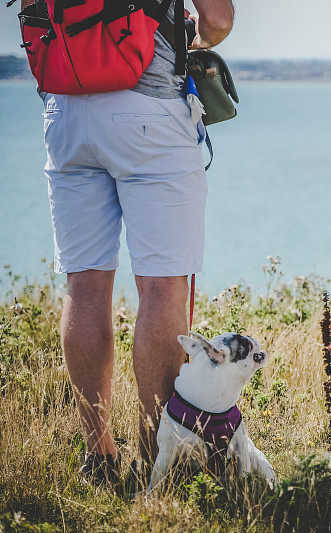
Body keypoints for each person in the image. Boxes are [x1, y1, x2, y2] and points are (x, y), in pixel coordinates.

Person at [22, 0, 235, 486]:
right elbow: (218, 19)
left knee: (85, 286)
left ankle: (98, 456)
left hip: (66, 112)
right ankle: (156, 459)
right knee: (162, 289)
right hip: (150, 112)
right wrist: (195, 38)